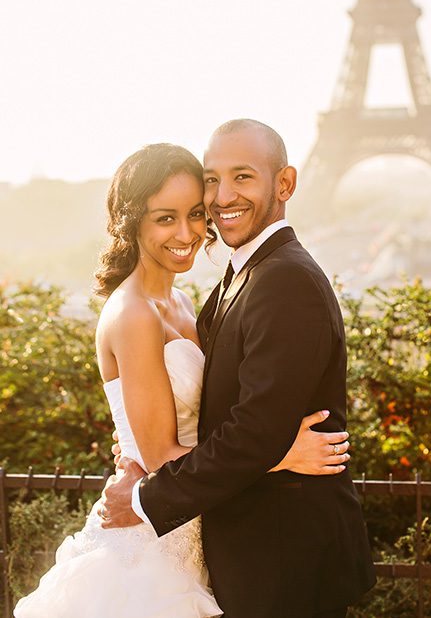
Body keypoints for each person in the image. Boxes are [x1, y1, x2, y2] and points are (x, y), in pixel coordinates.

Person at [15, 142, 349, 618]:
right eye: (165, 218)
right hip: (153, 546)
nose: (188, 232)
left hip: (198, 524)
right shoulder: (133, 314)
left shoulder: (186, 305)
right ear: (132, 222)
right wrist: (279, 454)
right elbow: (158, 457)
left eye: (195, 213)